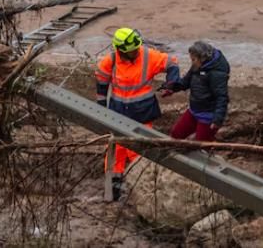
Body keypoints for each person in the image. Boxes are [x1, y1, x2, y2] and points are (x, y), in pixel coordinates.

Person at [95, 27, 180, 200]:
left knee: (139, 153)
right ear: (120, 50)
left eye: (136, 49)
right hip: (118, 114)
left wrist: (171, 82)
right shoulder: (109, 61)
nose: (135, 53)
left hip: (142, 114)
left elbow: (172, 63)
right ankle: (112, 192)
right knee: (115, 153)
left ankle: (142, 193)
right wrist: (102, 108)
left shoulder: (148, 56)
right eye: (131, 51)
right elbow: (101, 85)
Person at [164, 41, 230, 142]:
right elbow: (185, 82)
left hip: (208, 116)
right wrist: (172, 87)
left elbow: (222, 97)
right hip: (194, 110)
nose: (192, 62)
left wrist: (217, 120)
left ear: (202, 58)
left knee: (201, 145)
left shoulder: (217, 74)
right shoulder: (197, 65)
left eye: (194, 59)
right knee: (176, 134)